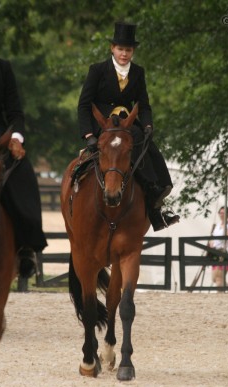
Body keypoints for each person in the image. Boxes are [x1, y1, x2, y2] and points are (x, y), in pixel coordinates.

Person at [77, 21, 180, 231]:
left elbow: (144, 104)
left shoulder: (138, 72)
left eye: (128, 50)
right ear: (112, 48)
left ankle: (155, 204)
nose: (124, 54)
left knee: (149, 149)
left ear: (133, 51)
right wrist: (88, 135)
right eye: (120, 49)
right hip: (103, 126)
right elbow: (84, 104)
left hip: (128, 124)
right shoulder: (97, 70)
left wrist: (149, 125)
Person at [0, 52, 47, 278]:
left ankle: (27, 247)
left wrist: (16, 138)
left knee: (24, 174)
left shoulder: (3, 67)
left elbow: (15, 112)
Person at [210, 206, 228, 288]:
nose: (221, 215)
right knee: (215, 278)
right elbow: (213, 237)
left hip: (226, 252)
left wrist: (226, 226)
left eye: (223, 213)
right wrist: (211, 244)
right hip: (216, 253)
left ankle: (220, 296)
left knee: (219, 278)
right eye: (220, 213)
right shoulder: (218, 225)